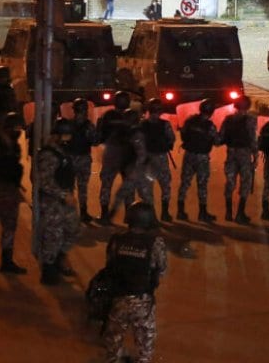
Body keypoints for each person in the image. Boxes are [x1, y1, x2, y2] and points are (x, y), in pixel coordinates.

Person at [103, 201, 167, 363]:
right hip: (142, 300)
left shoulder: (117, 240)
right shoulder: (155, 243)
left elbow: (109, 266)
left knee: (113, 339)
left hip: (118, 298)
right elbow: (162, 270)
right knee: (146, 342)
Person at [36, 119, 82, 284]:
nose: (69, 139)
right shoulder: (49, 154)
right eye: (66, 135)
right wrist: (63, 195)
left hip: (64, 200)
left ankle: (60, 258)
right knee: (52, 236)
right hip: (52, 202)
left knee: (74, 229)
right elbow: (44, 181)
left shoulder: (63, 152)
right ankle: (49, 271)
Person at [97, 91, 137, 225]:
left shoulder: (109, 115)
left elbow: (100, 135)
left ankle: (104, 215)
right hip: (127, 152)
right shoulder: (131, 115)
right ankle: (130, 215)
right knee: (128, 186)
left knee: (107, 184)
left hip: (113, 151)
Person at [177, 98, 220, 222]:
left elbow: (183, 134)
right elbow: (217, 142)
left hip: (189, 155)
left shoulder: (190, 120)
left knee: (185, 183)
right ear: (212, 112)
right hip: (202, 157)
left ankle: (180, 211)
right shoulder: (210, 126)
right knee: (202, 185)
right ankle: (202, 213)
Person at [218, 94, 257, 224]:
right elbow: (252, 138)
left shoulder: (228, 119)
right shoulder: (251, 119)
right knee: (245, 183)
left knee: (230, 182)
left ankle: (228, 213)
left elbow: (220, 138)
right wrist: (255, 156)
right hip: (244, 154)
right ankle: (240, 214)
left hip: (231, 153)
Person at [140, 99, 176, 223]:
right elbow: (171, 139)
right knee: (160, 187)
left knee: (154, 188)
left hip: (151, 158)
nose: (156, 113)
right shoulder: (163, 124)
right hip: (156, 158)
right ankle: (160, 214)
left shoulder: (143, 125)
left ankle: (157, 215)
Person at [0, 113, 26, 274]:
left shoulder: (12, 143)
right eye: (16, 128)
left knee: (10, 226)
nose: (18, 131)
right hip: (5, 189)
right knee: (9, 225)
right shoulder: (4, 143)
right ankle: (7, 261)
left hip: (9, 188)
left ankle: (7, 261)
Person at [64, 97, 98, 223]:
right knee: (81, 187)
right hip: (81, 158)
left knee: (71, 187)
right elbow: (95, 142)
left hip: (74, 158)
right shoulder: (88, 125)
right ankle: (82, 213)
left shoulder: (69, 124)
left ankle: (74, 214)